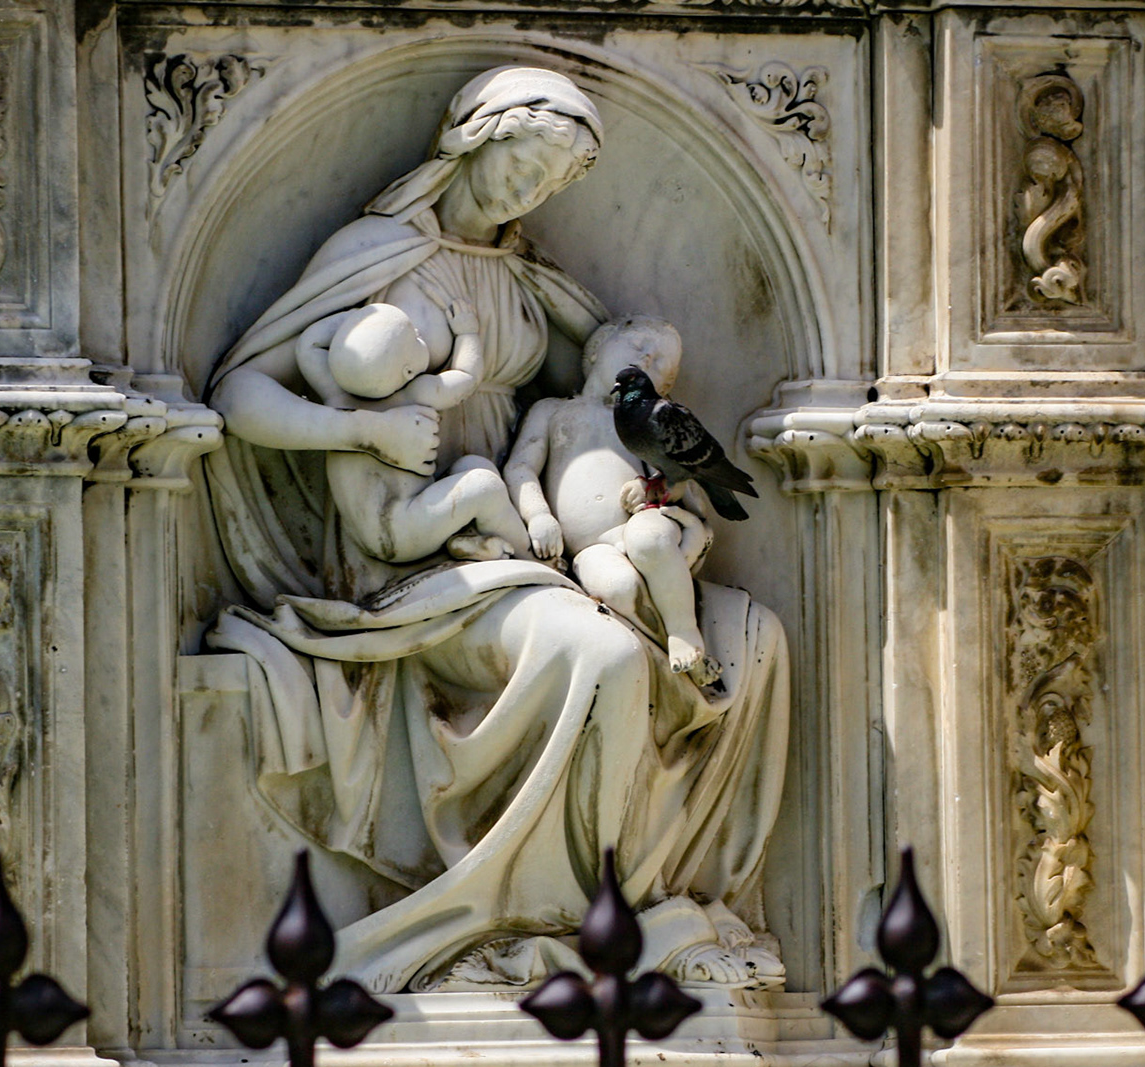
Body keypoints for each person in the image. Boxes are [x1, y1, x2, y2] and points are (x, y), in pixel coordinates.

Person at [202, 66, 789, 993]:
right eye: (527, 159)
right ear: (474, 136)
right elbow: (240, 394)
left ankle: (611, 905)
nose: (532, 187)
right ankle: (585, 920)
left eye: (555, 178)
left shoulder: (525, 284)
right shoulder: (376, 252)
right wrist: (361, 429)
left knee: (752, 635)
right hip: (405, 555)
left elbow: (608, 387)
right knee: (602, 658)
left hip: (511, 545)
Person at [505, 315, 724, 687]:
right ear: (596, 348)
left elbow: (679, 479)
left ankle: (684, 631)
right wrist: (539, 515)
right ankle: (674, 651)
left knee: (649, 539)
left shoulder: (646, 420)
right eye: (639, 345)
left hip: (637, 524)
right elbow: (521, 468)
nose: (646, 359)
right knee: (618, 588)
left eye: (659, 364)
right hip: (590, 547)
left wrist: (653, 489)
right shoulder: (553, 411)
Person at [296, 298, 532, 563]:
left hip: (372, 533)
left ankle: (469, 539)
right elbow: (467, 378)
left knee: (472, 465)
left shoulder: (334, 393)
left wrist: (363, 321)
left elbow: (310, 343)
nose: (420, 335)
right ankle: (531, 557)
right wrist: (467, 333)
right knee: (485, 486)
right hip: (400, 531)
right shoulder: (416, 393)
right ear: (408, 370)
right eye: (416, 338)